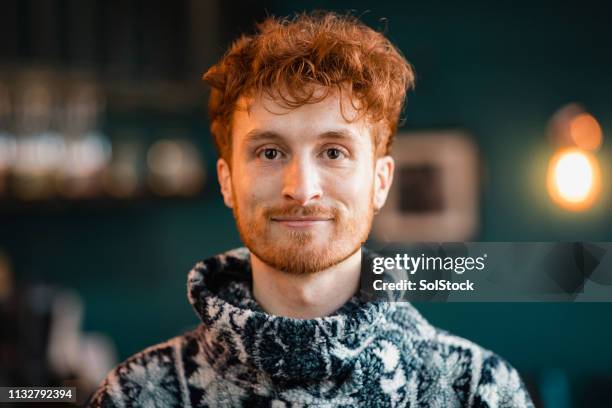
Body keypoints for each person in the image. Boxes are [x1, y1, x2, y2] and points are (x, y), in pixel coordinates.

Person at [89, 11, 534, 407]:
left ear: (381, 182)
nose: (302, 190)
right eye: (269, 152)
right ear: (227, 181)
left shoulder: (479, 391)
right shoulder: (136, 394)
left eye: (334, 152)